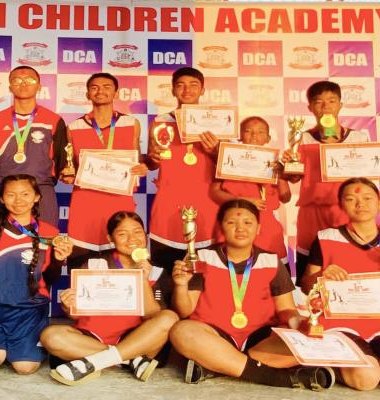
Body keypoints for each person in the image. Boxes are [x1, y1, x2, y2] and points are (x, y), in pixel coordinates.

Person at [169, 199, 335, 391]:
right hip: (215, 335)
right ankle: (278, 377)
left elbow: (286, 309)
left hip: (261, 339)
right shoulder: (202, 257)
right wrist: (180, 285)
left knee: (304, 341)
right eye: (231, 222)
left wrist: (298, 323)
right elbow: (184, 310)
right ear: (221, 227)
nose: (240, 228)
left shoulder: (271, 261)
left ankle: (219, 365)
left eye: (248, 222)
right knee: (181, 331)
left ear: (258, 228)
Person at [250, 178, 379, 391]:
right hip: (343, 325)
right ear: (340, 204)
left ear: (379, 202)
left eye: (367, 198)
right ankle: (331, 365)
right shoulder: (327, 238)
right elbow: (306, 285)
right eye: (350, 199)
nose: (360, 204)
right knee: (366, 379)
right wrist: (321, 276)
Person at [41, 211, 177, 386]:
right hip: (90, 338)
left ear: (145, 235)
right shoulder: (93, 264)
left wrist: (142, 279)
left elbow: (152, 315)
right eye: (122, 234)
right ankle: (129, 360)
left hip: (135, 338)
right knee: (50, 336)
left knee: (169, 318)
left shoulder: (157, 271)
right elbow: (75, 315)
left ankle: (96, 361)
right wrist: (69, 306)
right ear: (110, 238)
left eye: (137, 232)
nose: (132, 239)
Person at [0, 174, 72, 375]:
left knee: (25, 367)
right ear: (1, 198)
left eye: (25, 194)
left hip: (29, 313)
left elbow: (49, 279)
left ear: (37, 197)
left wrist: (58, 260)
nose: (18, 200)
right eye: (11, 195)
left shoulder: (49, 233)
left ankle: (16, 346)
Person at [280, 81, 370, 285]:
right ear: (310, 108)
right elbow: (294, 178)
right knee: (310, 275)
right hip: (313, 213)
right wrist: (290, 164)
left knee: (352, 270)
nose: (326, 106)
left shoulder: (358, 138)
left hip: (347, 212)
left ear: (340, 105)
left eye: (331, 101)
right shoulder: (302, 139)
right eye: (319, 102)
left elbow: (368, 175)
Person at [61, 73, 147, 268]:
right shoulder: (73, 127)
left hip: (119, 203)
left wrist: (142, 167)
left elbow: (138, 159)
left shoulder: (131, 123)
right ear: (87, 94)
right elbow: (70, 166)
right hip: (85, 205)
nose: (100, 91)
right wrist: (67, 174)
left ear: (116, 93)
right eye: (94, 87)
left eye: (107, 87)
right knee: (81, 267)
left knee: (122, 267)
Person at [146, 67, 220, 274]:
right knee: (165, 271)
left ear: (203, 90)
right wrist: (153, 158)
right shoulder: (161, 121)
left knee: (207, 273)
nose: (187, 90)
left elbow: (228, 165)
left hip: (207, 202)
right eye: (181, 85)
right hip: (169, 202)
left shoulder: (216, 121)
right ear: (173, 90)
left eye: (193, 85)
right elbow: (153, 162)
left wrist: (215, 151)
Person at [0, 66, 68, 226]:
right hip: (3, 189)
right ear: (10, 87)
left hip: (40, 188)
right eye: (17, 80)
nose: (23, 83)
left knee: (44, 237)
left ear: (39, 86)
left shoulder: (54, 120)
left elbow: (60, 158)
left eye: (30, 79)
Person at [210, 116, 291, 267]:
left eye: (260, 132)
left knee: (272, 271)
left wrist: (280, 175)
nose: (254, 135)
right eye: (248, 131)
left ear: (268, 138)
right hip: (235, 223)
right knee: (233, 272)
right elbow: (214, 193)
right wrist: (243, 201)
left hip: (267, 226)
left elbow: (286, 197)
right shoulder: (228, 159)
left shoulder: (275, 164)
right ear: (240, 136)